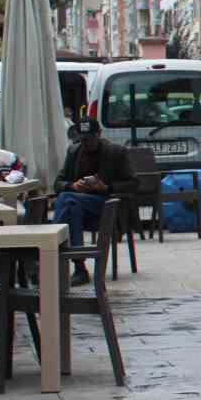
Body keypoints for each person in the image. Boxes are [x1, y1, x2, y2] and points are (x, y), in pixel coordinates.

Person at [52, 117, 137, 286]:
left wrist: (105, 187)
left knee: (66, 199)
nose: (86, 143)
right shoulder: (74, 152)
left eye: (89, 139)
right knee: (71, 205)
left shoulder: (115, 152)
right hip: (78, 203)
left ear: (99, 134)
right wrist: (74, 185)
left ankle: (54, 251)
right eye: (82, 139)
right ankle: (79, 267)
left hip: (105, 202)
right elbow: (58, 183)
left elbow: (133, 183)